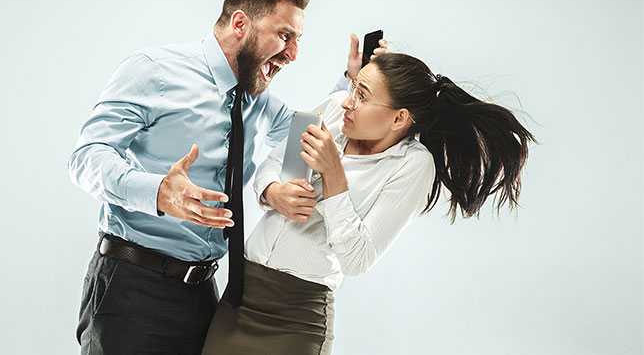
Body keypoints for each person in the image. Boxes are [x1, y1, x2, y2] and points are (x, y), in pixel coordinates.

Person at [201, 51, 537, 355]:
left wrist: (334, 177)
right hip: (240, 295)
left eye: (362, 96)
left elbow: (357, 259)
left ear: (399, 118)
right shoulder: (334, 110)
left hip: (296, 317)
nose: (348, 102)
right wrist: (272, 191)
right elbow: (276, 162)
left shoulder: (413, 166)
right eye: (354, 89)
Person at [67, 0, 317, 354]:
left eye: (297, 39)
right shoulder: (154, 71)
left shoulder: (255, 97)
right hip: (133, 289)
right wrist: (159, 193)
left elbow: (306, 129)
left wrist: (354, 85)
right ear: (240, 23)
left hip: (205, 296)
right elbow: (86, 157)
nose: (294, 54)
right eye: (284, 36)